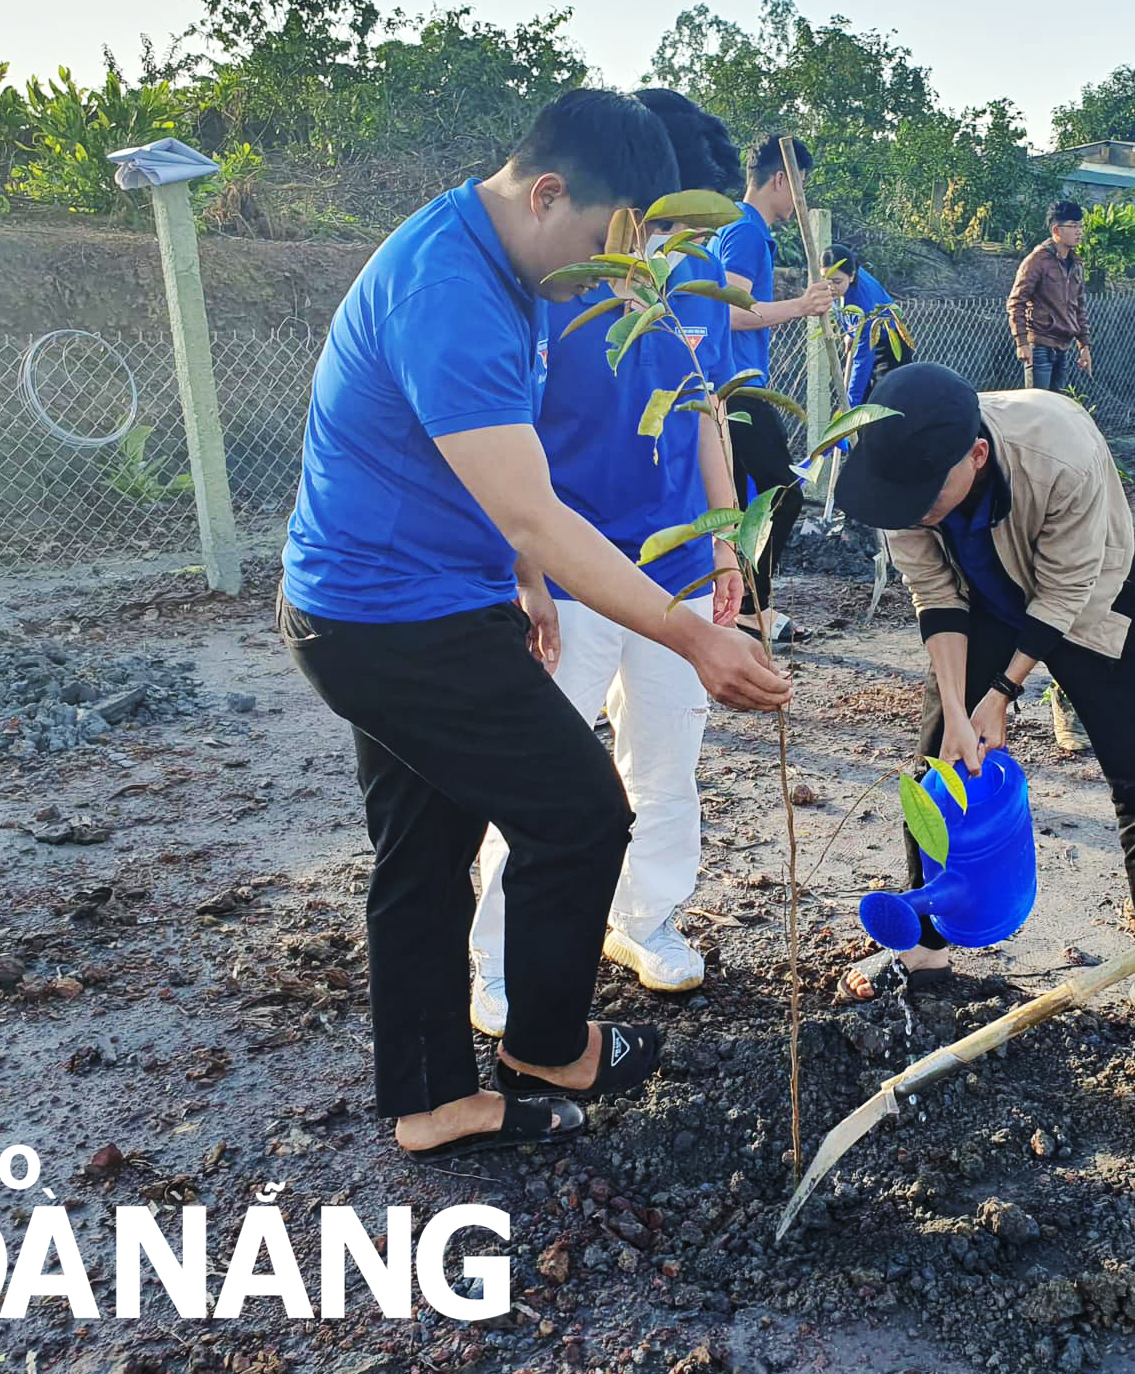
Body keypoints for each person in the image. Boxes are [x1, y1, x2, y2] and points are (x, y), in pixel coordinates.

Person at [278, 89, 791, 1163]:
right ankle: (546, 1048)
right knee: (578, 813)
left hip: (410, 598)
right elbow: (532, 509)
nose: (626, 269)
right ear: (546, 191)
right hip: (386, 619)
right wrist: (692, 633)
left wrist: (520, 576)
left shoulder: (501, 261)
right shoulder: (452, 290)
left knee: (423, 854)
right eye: (614, 243)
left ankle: (429, 1102)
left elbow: (495, 476)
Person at [831, 363, 1135, 1068]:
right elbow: (933, 592)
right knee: (936, 766)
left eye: (927, 499)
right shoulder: (902, 476)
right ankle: (926, 946)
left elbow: (1065, 588)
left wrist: (1004, 692)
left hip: (1082, 597)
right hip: (977, 600)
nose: (916, 510)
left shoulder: (1060, 453)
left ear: (976, 456)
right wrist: (959, 708)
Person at [468, 89, 747, 1021]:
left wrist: (728, 540)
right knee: (543, 770)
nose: (676, 239)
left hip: (673, 569)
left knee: (667, 761)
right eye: (664, 218)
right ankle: (499, 960)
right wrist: (530, 573)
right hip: (578, 569)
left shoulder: (694, 292)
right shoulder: (555, 288)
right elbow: (513, 450)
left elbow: (709, 414)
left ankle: (644, 919)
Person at [714, 133, 837, 645]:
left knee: (748, 506)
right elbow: (727, 311)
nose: (799, 201)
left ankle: (744, 606)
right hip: (741, 388)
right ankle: (750, 608)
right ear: (781, 179)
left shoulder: (743, 231)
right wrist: (801, 307)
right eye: (800, 186)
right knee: (782, 497)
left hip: (737, 384)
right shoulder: (744, 230)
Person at [1008, 201, 1092, 393]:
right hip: (1039, 347)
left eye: (1080, 226)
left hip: (1063, 347)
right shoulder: (1037, 261)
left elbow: (1079, 307)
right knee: (1037, 408)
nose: (1079, 231)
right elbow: (1016, 302)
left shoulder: (1076, 264)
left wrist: (1084, 346)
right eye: (1073, 226)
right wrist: (1021, 343)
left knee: (1056, 408)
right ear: (1056, 230)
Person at [823, 242, 909, 406]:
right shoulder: (842, 282)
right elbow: (841, 307)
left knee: (883, 401)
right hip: (865, 338)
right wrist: (849, 332)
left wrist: (850, 406)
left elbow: (862, 361)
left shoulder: (863, 306)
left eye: (836, 281)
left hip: (889, 342)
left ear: (852, 276)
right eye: (826, 280)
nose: (830, 287)